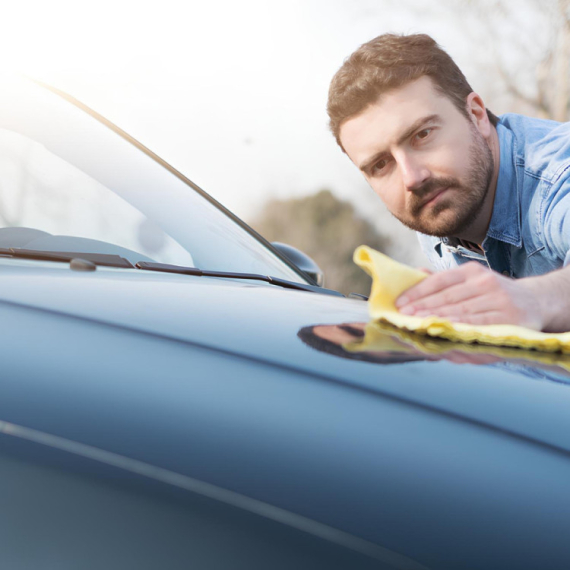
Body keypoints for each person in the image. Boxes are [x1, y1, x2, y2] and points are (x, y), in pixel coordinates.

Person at [327, 33, 570, 333]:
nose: (412, 178)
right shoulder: (436, 209)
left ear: (477, 115)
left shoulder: (556, 171)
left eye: (423, 135)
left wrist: (533, 300)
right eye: (381, 164)